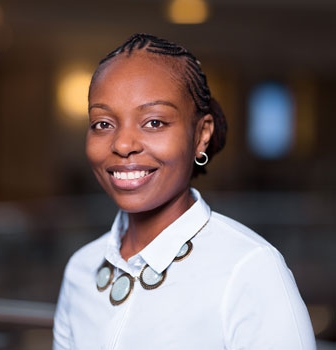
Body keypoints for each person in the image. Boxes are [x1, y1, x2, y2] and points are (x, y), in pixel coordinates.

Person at [53, 33, 316, 349]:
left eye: (154, 122)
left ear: (201, 135)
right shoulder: (81, 268)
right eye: (103, 124)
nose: (122, 144)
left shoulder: (251, 269)